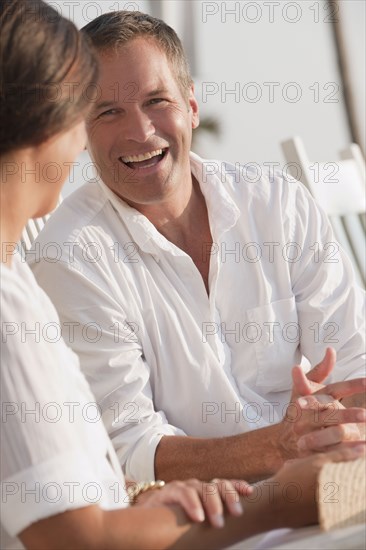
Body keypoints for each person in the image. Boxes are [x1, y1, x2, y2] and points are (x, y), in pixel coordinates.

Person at [5, 2, 364, 549]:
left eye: (156, 101)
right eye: (103, 113)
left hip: (303, 490)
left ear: (192, 106)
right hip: (220, 522)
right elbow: (118, 466)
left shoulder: (279, 205)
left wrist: (327, 435)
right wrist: (280, 456)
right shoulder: (59, 263)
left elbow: (357, 365)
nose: (139, 131)